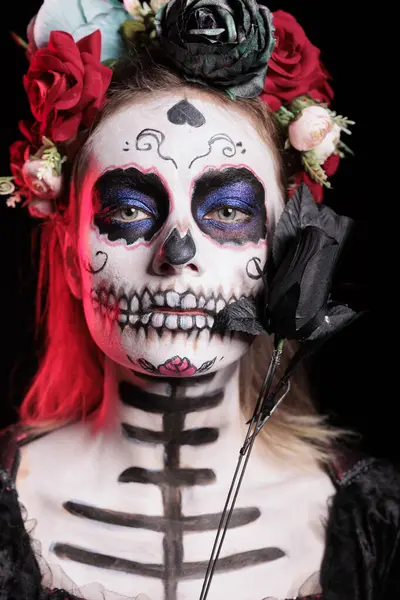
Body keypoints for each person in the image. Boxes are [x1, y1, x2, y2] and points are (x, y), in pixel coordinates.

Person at [0, 1, 398, 599]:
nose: (178, 250)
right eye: (130, 209)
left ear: (286, 247)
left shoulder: (377, 524)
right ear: (69, 256)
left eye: (229, 210)